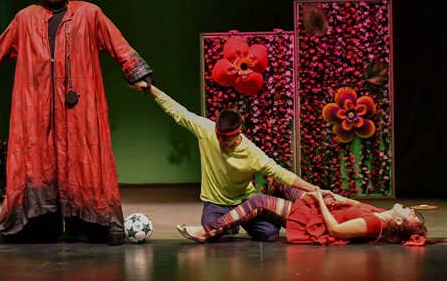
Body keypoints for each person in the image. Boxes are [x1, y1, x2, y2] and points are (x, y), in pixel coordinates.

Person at [0, 0, 153, 245]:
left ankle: (94, 224)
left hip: (79, 107)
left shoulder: (89, 14)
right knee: (36, 161)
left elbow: (118, 44)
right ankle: (36, 225)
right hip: (36, 106)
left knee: (85, 158)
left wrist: (137, 72)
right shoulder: (26, 18)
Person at [132, 81, 326, 242]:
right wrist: (150, 87)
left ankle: (234, 223)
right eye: (219, 136)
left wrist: (315, 189)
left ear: (238, 133)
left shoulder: (251, 152)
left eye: (226, 139)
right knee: (213, 235)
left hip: (244, 201)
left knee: (270, 235)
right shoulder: (206, 130)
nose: (221, 142)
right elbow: (178, 111)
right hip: (215, 203)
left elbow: (280, 173)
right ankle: (230, 225)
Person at [176, 184, 429, 245]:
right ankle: (267, 227)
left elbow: (336, 230)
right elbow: (356, 204)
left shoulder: (375, 224)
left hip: (314, 220)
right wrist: (337, 198)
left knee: (259, 200)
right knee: (276, 182)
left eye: (410, 213)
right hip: (320, 208)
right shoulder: (383, 214)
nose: (409, 208)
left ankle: (208, 231)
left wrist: (319, 201)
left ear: (398, 221)